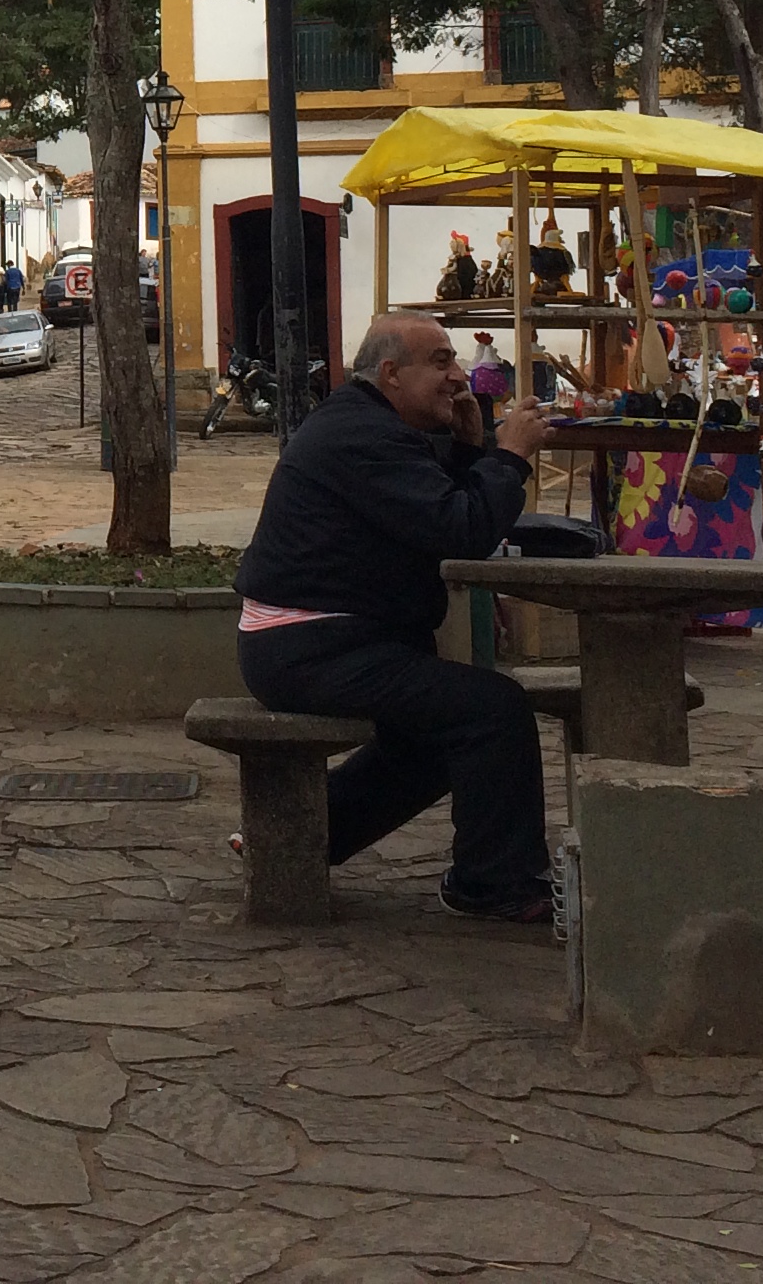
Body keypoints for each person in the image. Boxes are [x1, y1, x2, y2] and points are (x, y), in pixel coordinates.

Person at [234, 312, 555, 924]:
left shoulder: (370, 426)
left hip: (321, 639)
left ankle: (294, 837)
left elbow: (434, 512)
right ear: (390, 374)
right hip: (306, 645)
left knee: (437, 736)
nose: (458, 377)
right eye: (440, 362)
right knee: (493, 709)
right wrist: (510, 455)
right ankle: (492, 884)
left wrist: (470, 448)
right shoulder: (363, 436)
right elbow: (460, 528)